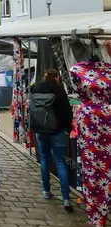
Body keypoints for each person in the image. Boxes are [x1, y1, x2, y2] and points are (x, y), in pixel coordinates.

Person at [30, 69, 74, 212]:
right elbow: (67, 112)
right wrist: (67, 127)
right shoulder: (59, 90)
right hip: (57, 131)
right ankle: (66, 198)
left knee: (44, 159)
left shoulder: (35, 89)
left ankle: (46, 190)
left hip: (40, 129)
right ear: (56, 78)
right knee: (60, 162)